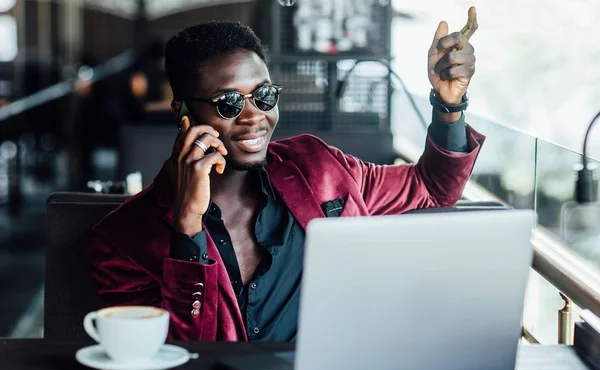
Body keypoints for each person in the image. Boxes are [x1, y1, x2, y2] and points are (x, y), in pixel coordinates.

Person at [89, 11, 484, 341]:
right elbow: (172, 358)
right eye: (229, 102)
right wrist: (187, 228)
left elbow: (431, 188)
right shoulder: (122, 238)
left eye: (263, 96)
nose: (254, 116)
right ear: (183, 111)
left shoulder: (319, 168)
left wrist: (450, 104)